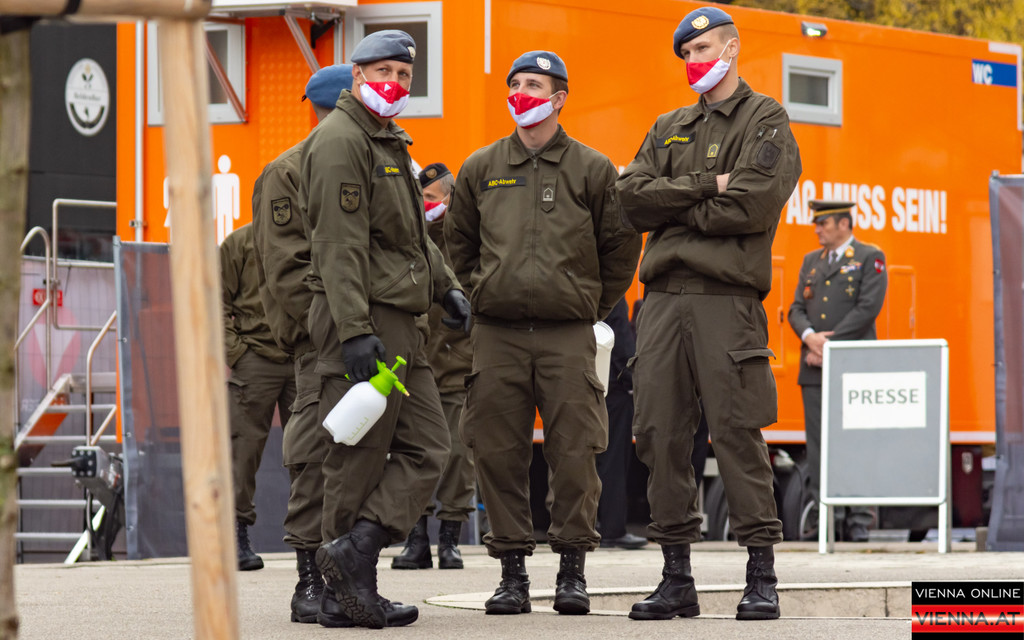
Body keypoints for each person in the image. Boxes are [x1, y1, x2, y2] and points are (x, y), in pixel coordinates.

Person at [616, 6, 802, 622]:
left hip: (727, 302)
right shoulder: (668, 125)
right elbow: (629, 201)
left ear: (732, 47)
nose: (694, 61)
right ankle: (677, 578)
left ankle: (761, 577)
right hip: (661, 303)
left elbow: (751, 205)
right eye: (686, 54)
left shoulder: (765, 118)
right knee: (660, 436)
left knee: (737, 433)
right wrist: (706, 185)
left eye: (702, 50)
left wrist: (672, 208)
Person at [446, 50, 641, 616]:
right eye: (515, 84)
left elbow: (621, 246)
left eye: (533, 85)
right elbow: (458, 245)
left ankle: (571, 572)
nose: (521, 93)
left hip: (567, 335)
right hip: (497, 334)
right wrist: (482, 293)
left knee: (576, 453)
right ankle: (511, 574)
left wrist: (588, 304)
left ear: (559, 99)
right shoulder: (481, 167)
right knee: (497, 453)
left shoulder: (591, 169)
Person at [301, 30, 470, 630]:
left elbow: (413, 236)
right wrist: (353, 329)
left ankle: (356, 553)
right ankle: (343, 594)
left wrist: (446, 285)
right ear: (357, 76)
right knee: (359, 456)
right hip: (366, 318)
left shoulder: (388, 140)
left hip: (402, 321)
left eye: (404, 74)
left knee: (429, 446)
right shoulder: (341, 142)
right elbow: (337, 244)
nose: (395, 83)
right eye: (384, 72)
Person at [250, 64, 349, 624]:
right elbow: (286, 271)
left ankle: (351, 575)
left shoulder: (369, 162)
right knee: (314, 458)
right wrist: (336, 327)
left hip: (368, 338)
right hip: (321, 341)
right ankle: (309, 580)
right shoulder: (288, 171)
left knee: (364, 460)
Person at [787, 200, 887, 543]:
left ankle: (858, 519)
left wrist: (828, 346)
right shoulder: (811, 261)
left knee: (855, 443)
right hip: (814, 369)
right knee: (818, 448)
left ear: (844, 224)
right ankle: (825, 517)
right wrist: (809, 338)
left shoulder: (869, 257)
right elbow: (796, 309)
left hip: (852, 366)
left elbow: (867, 308)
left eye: (824, 223)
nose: (817, 229)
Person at [392, 162, 476, 571]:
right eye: (421, 198)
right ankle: (417, 539)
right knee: (414, 452)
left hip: (459, 360)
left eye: (431, 198)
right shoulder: (409, 238)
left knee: (459, 454)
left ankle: (450, 539)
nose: (426, 205)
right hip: (417, 361)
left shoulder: (466, 238)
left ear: (450, 197)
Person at [220, 223, 296, 572]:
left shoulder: (307, 233)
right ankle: (235, 537)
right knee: (242, 451)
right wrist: (237, 353)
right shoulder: (239, 243)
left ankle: (314, 537)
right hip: (255, 357)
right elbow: (214, 300)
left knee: (312, 450)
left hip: (301, 355)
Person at [596, 298, 647, 550]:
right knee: (614, 461)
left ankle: (581, 527)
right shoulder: (612, 295)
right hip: (613, 389)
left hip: (584, 383)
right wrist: (632, 379)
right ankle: (613, 529)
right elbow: (620, 340)